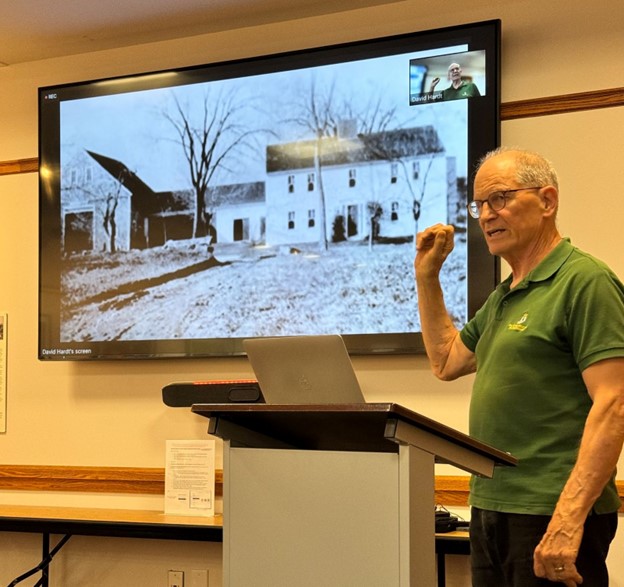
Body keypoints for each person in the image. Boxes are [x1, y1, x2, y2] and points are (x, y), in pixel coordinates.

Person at [414, 147, 624, 586]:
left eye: (501, 198)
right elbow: (446, 360)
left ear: (547, 201)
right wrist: (427, 278)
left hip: (550, 513)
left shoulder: (585, 281)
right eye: (479, 204)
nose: (486, 215)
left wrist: (567, 520)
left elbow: (615, 402)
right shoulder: (505, 294)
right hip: (491, 507)